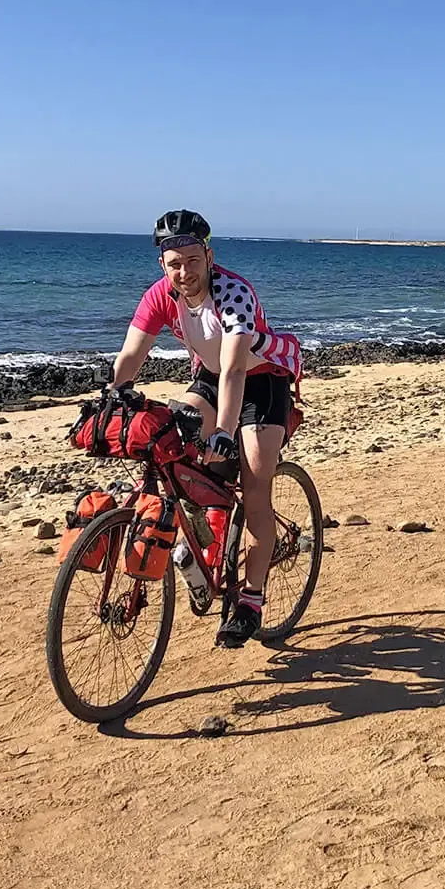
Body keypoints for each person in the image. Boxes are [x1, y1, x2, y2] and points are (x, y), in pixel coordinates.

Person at [106, 210, 302, 648]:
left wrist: (225, 431)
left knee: (254, 484)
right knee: (173, 441)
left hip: (262, 380)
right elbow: (131, 354)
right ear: (162, 264)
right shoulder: (159, 295)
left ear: (209, 256)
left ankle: (251, 600)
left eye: (192, 261)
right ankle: (201, 546)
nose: (184, 272)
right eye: (174, 263)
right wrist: (112, 392)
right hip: (213, 378)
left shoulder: (233, 293)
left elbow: (235, 369)